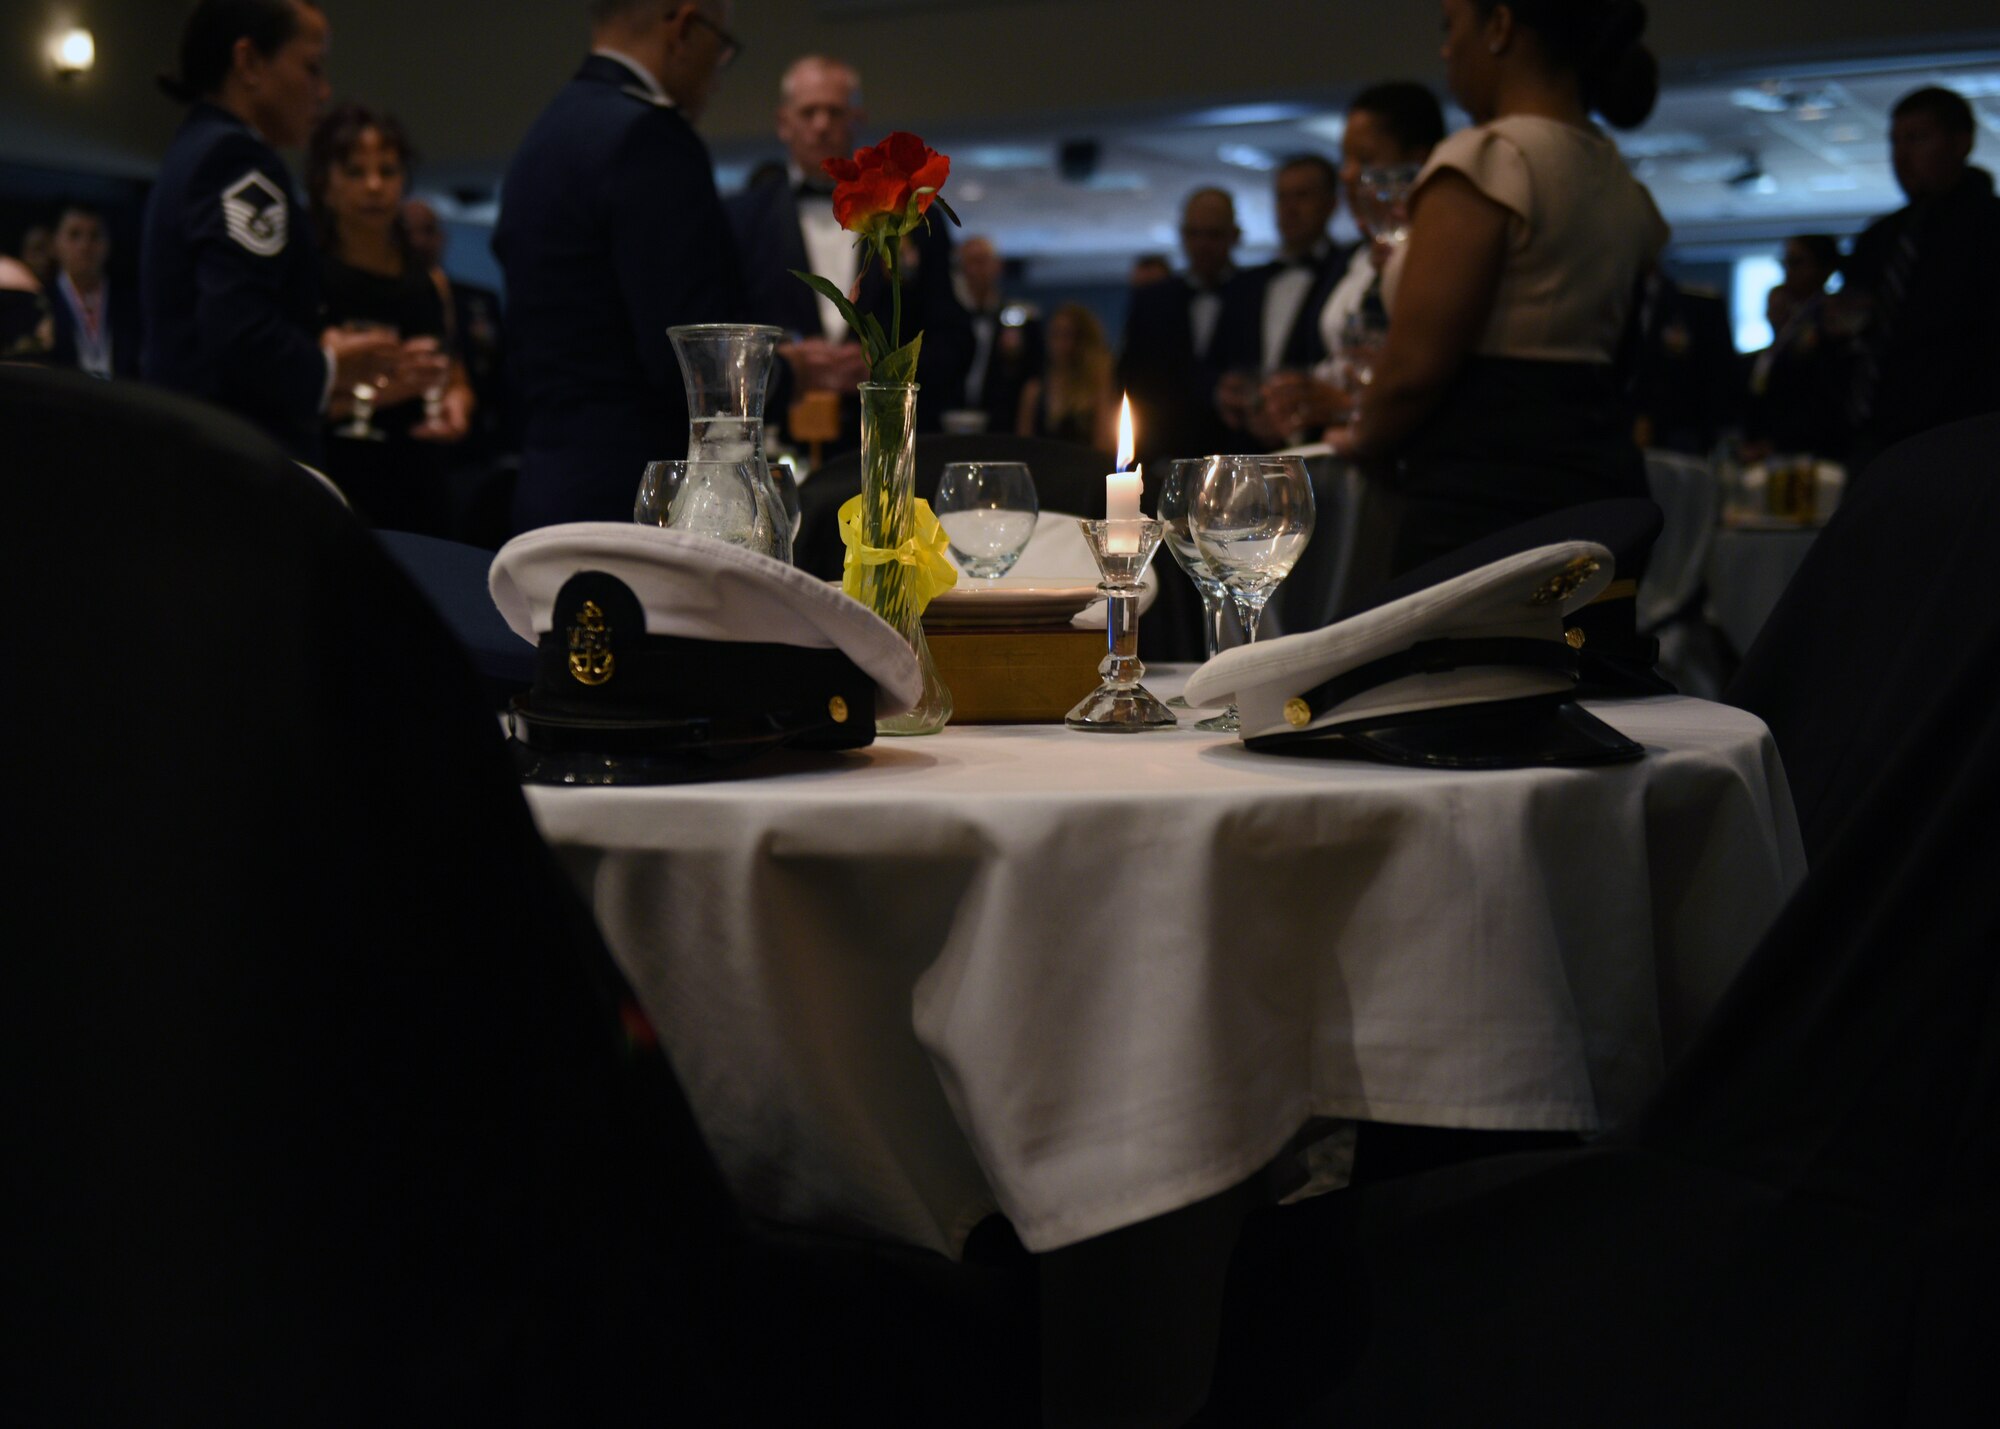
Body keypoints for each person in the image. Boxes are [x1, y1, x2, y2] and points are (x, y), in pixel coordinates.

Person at [1334, 0, 1668, 576]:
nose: (1444, 49)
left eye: (1450, 25)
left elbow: (1414, 370)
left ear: (1499, 27)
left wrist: (1363, 437)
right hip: (1600, 480)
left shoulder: (1488, 162)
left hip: (1484, 490)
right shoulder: (1618, 178)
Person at [493, 0, 744, 531]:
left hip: (547, 488)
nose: (719, 70)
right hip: (634, 501)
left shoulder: (543, 136)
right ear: (682, 26)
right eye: (720, 44)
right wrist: (779, 373)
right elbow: (686, 349)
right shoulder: (649, 138)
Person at [141, 0, 403, 462]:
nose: (322, 91)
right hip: (235, 461)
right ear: (249, 63)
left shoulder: (194, 146)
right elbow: (237, 328)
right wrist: (329, 367)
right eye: (311, 67)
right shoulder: (238, 161)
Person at [727, 54, 971, 447]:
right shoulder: (741, 219)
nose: (821, 124)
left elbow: (953, 340)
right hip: (777, 448)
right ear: (783, 123)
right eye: (808, 112)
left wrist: (888, 369)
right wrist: (783, 365)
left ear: (857, 119)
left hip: (887, 446)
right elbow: (724, 335)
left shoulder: (910, 211)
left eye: (834, 112)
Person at [306, 104, 470, 534]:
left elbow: (453, 372)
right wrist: (377, 390)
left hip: (419, 479)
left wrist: (455, 403)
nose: (375, 186)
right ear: (325, 185)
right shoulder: (306, 275)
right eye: (356, 172)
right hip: (339, 480)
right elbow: (287, 393)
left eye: (388, 170)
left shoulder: (427, 280)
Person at [1263, 81, 1448, 442]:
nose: (1347, 174)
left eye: (1364, 159)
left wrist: (1349, 405)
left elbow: (1425, 381)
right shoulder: (1352, 260)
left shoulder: (1438, 257)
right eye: (1344, 161)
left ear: (1416, 163)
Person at [1841, 85, 2000, 471]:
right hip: (1876, 433)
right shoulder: (1881, 238)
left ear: (1961, 143)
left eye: (1916, 139)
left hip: (1963, 434)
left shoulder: (1990, 229)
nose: (1901, 156)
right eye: (1895, 142)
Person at [1212, 154, 1347, 441]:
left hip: (1324, 443)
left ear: (1331, 204)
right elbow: (1219, 361)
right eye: (1282, 197)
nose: (1290, 208)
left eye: (1302, 196)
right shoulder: (1244, 285)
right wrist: (1225, 391)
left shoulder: (1347, 272)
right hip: (1248, 446)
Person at [1118, 186, 1242, 466]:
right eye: (1194, 233)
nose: (1202, 244)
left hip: (1235, 457)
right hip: (1163, 455)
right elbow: (1132, 378)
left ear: (1234, 236)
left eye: (1213, 234)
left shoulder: (1255, 293)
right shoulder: (1152, 300)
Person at [402, 196, 511, 461]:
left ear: (441, 237)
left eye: (427, 231)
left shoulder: (478, 301)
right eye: (407, 232)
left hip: (478, 441)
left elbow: (504, 374)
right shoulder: (383, 300)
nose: (418, 241)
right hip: (406, 441)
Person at [1742, 234, 1850, 462]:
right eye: (1785, 263)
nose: (1788, 271)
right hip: (1780, 442)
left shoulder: (1828, 317)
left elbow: (1822, 392)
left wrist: (1780, 441)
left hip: (1809, 447)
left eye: (1797, 262)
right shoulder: (1795, 321)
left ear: (1824, 269)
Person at [954, 234, 1042, 435]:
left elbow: (1032, 375)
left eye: (983, 261)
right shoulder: (946, 318)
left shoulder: (1018, 318)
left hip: (1001, 424)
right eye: (971, 262)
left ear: (997, 266)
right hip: (952, 418)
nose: (977, 270)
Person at [46, 205, 143, 379]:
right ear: (54, 244)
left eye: (95, 236)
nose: (85, 246)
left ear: (108, 244)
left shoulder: (131, 302)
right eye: (74, 235)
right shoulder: (42, 301)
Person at [1017, 302, 1118, 453]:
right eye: (1055, 334)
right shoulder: (1035, 389)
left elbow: (1103, 445)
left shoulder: (1096, 387)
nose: (1060, 344)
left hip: (1084, 469)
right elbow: (1023, 446)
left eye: (1067, 335)